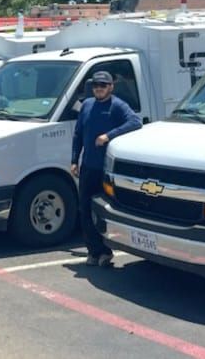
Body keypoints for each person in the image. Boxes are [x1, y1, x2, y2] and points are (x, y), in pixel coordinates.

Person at [71, 71, 142, 266]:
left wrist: (108, 136)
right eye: (96, 85)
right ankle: (95, 251)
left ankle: (107, 250)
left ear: (111, 87)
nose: (99, 88)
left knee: (104, 210)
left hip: (107, 170)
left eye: (103, 85)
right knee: (84, 210)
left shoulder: (118, 106)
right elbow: (78, 134)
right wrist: (74, 160)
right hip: (88, 167)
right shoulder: (86, 105)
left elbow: (135, 122)